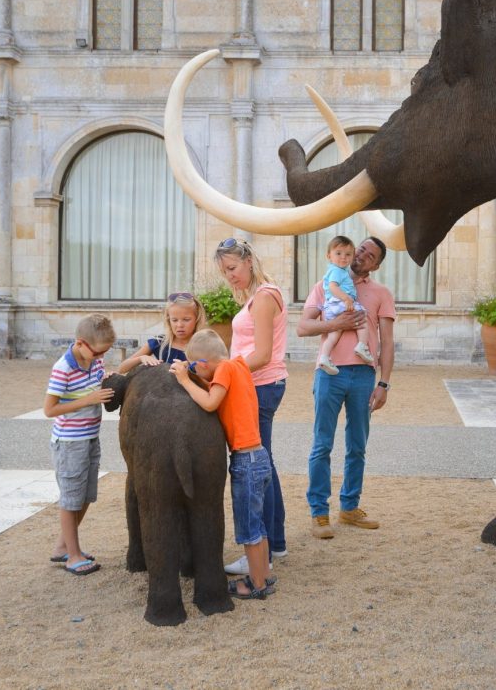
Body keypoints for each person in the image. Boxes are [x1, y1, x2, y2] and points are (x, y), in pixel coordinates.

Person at [297, 236, 396, 539]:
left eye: (370, 255)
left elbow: (388, 342)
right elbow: (303, 327)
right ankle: (319, 513)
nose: (362, 255)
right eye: (361, 249)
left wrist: (384, 383)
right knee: (322, 444)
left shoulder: (381, 293)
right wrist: (336, 324)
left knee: (357, 446)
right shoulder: (325, 284)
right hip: (329, 374)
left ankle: (349, 507)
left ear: (376, 265)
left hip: (364, 376)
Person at [170, 329, 275, 600]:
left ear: (203, 364)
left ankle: (256, 585)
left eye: (194, 367)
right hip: (259, 456)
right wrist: (195, 376)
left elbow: (209, 402)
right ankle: (264, 575)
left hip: (245, 461)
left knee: (249, 528)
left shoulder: (225, 370)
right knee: (259, 525)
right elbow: (217, 393)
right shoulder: (238, 365)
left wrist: (184, 379)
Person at [214, 237, 288, 575]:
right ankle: (276, 543)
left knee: (255, 469)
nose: (229, 276)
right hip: (257, 386)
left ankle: (264, 551)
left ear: (248, 260)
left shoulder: (264, 296)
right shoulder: (259, 296)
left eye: (232, 268)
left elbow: (262, 355)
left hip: (259, 387)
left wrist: (223, 370)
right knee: (265, 466)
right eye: (224, 271)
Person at [44, 313, 116, 575]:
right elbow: (49, 410)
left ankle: (63, 546)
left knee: (86, 495)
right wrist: (89, 399)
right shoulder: (63, 367)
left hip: (89, 437)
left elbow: (97, 378)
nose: (100, 358)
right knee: (71, 498)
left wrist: (105, 376)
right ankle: (72, 556)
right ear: (81, 343)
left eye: (104, 354)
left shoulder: (94, 360)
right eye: (98, 353)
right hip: (69, 443)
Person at [317, 234, 374, 375]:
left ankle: (324, 357)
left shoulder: (337, 270)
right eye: (338, 253)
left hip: (332, 307)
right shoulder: (337, 271)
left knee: (334, 335)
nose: (343, 257)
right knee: (362, 318)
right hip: (340, 303)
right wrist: (347, 299)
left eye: (348, 254)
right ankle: (362, 345)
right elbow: (333, 287)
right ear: (328, 256)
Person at [118, 292, 206, 373]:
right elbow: (121, 369)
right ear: (168, 320)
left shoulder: (204, 346)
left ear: (197, 319)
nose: (179, 325)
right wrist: (141, 358)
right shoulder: (159, 342)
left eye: (186, 320)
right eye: (174, 320)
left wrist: (189, 366)